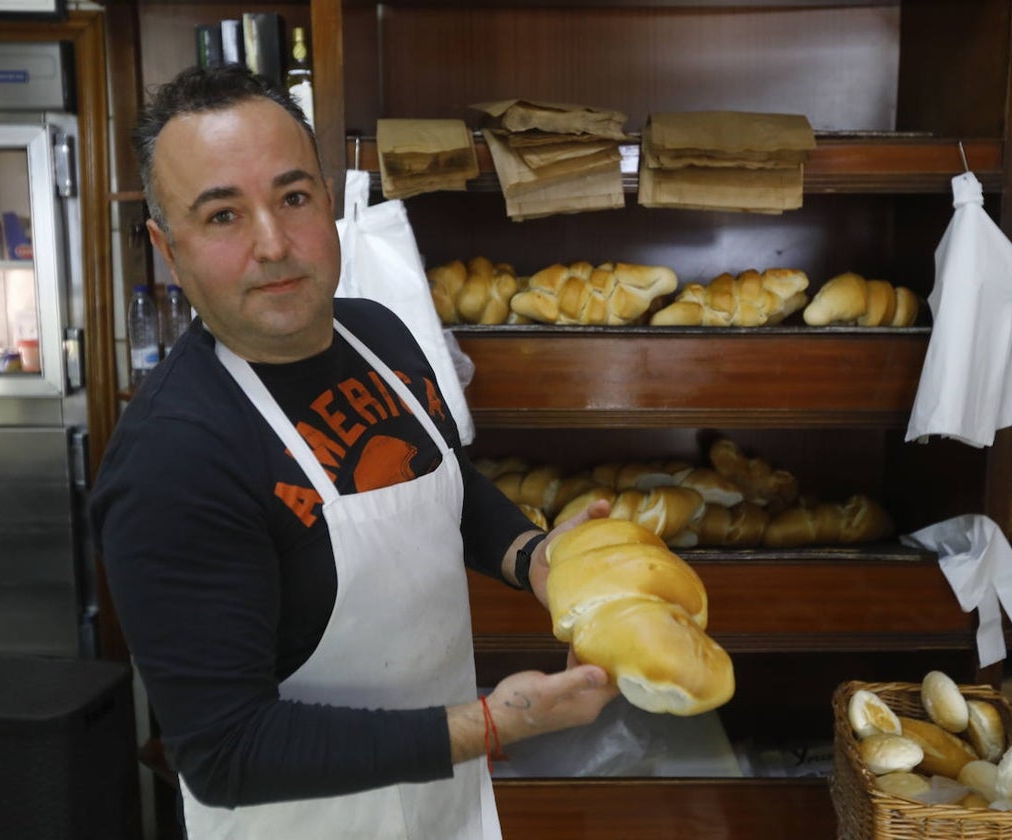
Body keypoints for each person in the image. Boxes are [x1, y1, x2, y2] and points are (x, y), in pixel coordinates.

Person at [90, 63, 618, 840]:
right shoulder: (172, 460)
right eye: (224, 217)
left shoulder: (377, 333)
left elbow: (443, 478)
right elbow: (225, 752)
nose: (274, 244)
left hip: (447, 807)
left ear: (328, 206)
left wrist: (533, 557)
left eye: (292, 198)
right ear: (170, 251)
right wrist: (495, 725)